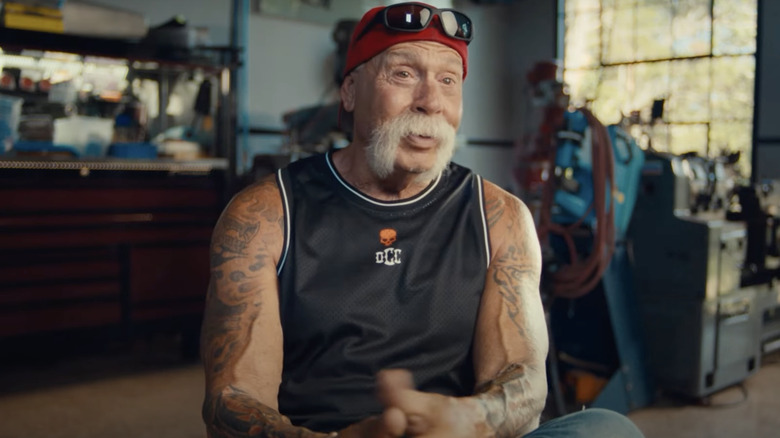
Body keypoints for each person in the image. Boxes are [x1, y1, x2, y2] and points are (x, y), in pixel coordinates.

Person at [200, 2, 645, 437]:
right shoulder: (266, 213)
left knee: (607, 428)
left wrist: (467, 420)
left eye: (448, 80)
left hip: (461, 432)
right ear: (351, 91)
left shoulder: (501, 217)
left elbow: (524, 380)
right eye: (404, 74)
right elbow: (232, 401)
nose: (431, 101)